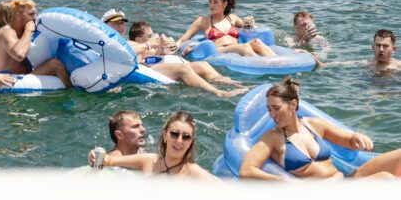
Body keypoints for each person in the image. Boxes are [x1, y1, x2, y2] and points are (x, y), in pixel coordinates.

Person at [239, 76, 401, 179]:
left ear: (293, 105)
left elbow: (349, 141)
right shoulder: (272, 137)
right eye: (269, 109)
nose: (272, 114)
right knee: (386, 179)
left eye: (276, 108)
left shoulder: (313, 125)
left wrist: (357, 137)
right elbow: (246, 171)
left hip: (347, 180)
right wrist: (284, 182)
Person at [125, 18, 247, 97]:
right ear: (138, 39)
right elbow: (139, 60)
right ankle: (220, 93)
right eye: (150, 35)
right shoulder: (134, 45)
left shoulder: (151, 46)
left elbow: (164, 54)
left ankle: (236, 84)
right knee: (183, 69)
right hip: (149, 71)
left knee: (202, 65)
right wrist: (150, 45)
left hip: (164, 66)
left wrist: (166, 48)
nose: (154, 37)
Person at [88, 111, 216, 179]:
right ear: (165, 136)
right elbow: (108, 160)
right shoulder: (148, 160)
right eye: (174, 134)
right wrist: (94, 155)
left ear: (191, 142)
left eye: (186, 136)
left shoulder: (192, 171)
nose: (179, 141)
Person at [0, 0, 71, 87]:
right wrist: (29, 29)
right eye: (31, 14)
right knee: (55, 65)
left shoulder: (18, 32)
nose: (35, 18)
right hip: (10, 79)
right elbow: (19, 55)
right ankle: (72, 94)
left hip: (23, 76)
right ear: (18, 15)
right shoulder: (6, 31)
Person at [176, 0, 275, 57]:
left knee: (256, 42)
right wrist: (172, 48)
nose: (211, 5)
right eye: (210, 1)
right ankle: (263, 65)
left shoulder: (232, 18)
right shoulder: (202, 21)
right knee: (244, 47)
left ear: (224, 4)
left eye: (215, 2)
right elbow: (182, 39)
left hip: (236, 48)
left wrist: (251, 24)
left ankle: (279, 62)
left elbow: (248, 27)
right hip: (219, 51)